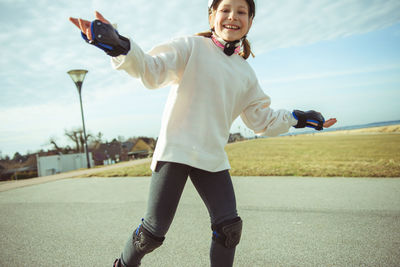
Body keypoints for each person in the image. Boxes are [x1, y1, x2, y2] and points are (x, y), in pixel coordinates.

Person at [69, 0, 337, 266]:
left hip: (212, 157)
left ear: (250, 22)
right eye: (225, 10)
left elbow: (261, 120)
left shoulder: (246, 73)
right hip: (177, 151)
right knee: (152, 233)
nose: (233, 16)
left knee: (229, 229)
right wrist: (118, 45)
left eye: (241, 11)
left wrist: (296, 118)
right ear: (212, 17)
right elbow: (151, 70)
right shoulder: (191, 47)